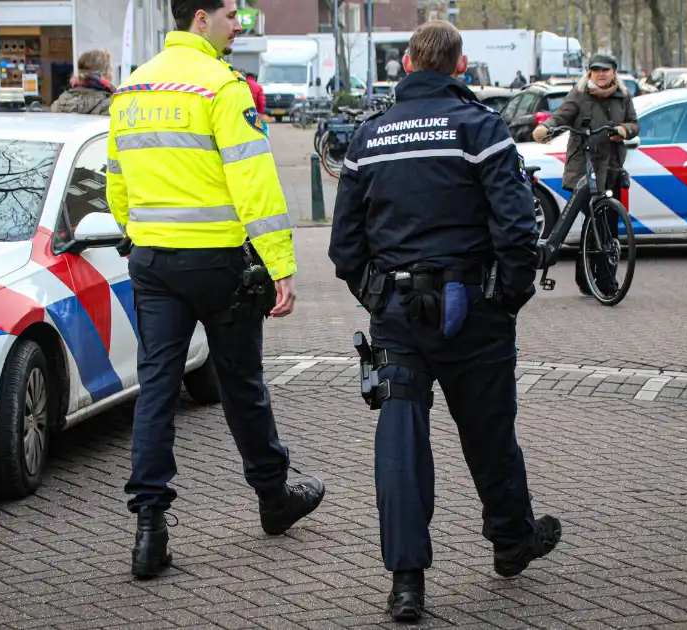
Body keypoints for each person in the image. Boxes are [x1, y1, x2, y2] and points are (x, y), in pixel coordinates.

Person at [328, 20, 562, 623]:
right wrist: (507, 297)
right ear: (460, 66)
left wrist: (374, 294)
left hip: (397, 313)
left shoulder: (369, 135)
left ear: (406, 64)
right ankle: (511, 541)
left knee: (400, 442)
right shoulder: (480, 127)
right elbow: (517, 226)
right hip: (472, 309)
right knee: (489, 430)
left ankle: (407, 583)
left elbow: (345, 243)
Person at [106, 0, 325, 581]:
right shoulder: (222, 88)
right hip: (220, 264)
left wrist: (139, 233)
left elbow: (116, 182)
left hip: (153, 262)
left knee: (156, 389)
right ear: (199, 19)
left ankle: (149, 528)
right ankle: (274, 499)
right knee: (241, 384)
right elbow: (253, 181)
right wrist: (279, 263)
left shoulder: (130, 90)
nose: (238, 25)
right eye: (230, 15)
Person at [531, 53, 639, 296]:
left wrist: (624, 129)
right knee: (598, 224)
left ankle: (585, 278)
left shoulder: (622, 96)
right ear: (589, 73)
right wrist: (545, 128)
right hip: (584, 169)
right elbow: (561, 116)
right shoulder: (579, 95)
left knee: (606, 227)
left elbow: (634, 123)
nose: (601, 74)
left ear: (614, 72)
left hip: (611, 169)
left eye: (605, 70)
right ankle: (606, 284)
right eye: (596, 70)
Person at [52, 49, 115, 115]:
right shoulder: (113, 105)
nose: (111, 75)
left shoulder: (60, 102)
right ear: (103, 74)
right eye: (110, 70)